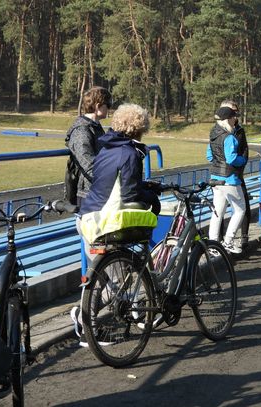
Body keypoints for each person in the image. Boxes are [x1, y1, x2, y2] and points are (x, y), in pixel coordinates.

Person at [74, 103, 161, 347]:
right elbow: (130, 194)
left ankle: (85, 320)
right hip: (107, 221)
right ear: (140, 127)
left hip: (89, 216)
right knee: (117, 280)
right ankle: (86, 326)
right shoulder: (132, 153)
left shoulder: (107, 148)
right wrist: (153, 198)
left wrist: (143, 187)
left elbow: (115, 184)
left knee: (102, 277)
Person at [207, 106, 247, 254]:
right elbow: (231, 159)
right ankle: (228, 241)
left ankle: (212, 245)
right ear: (228, 119)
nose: (235, 119)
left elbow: (209, 156)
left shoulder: (213, 134)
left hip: (215, 177)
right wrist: (242, 160)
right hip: (229, 178)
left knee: (217, 212)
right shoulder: (229, 137)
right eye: (233, 117)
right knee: (240, 209)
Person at [65, 86, 112, 206]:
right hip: (88, 194)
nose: (110, 108)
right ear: (98, 106)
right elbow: (87, 163)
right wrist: (111, 178)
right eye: (108, 104)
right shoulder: (81, 130)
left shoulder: (95, 126)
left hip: (99, 190)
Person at [221, 99, 250, 249]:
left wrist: (240, 164)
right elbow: (214, 154)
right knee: (220, 209)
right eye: (232, 111)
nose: (234, 115)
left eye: (236, 112)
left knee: (244, 205)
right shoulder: (219, 130)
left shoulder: (239, 130)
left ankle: (244, 237)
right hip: (223, 175)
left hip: (237, 174)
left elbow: (244, 151)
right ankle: (221, 241)